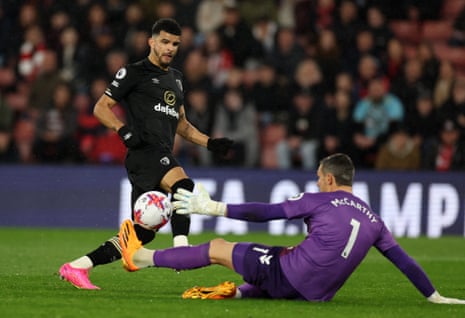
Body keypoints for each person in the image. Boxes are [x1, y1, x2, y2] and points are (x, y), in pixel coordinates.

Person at [118, 153, 465, 304]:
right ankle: (238, 292)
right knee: (280, 260)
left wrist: (215, 208)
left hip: (287, 276)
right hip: (316, 294)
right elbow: (404, 261)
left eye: (318, 176)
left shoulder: (320, 200)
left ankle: (140, 256)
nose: (316, 181)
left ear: (329, 179)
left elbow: (267, 213)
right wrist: (433, 295)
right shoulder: (375, 219)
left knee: (218, 248)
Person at [59, 18, 233, 290]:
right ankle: (181, 249)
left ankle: (77, 267)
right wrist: (122, 130)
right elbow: (101, 107)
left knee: (141, 234)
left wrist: (210, 143)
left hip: (156, 155)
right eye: (165, 42)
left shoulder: (176, 78)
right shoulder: (133, 73)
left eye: (175, 44)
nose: (170, 48)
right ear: (151, 42)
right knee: (183, 185)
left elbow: (181, 124)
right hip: (144, 152)